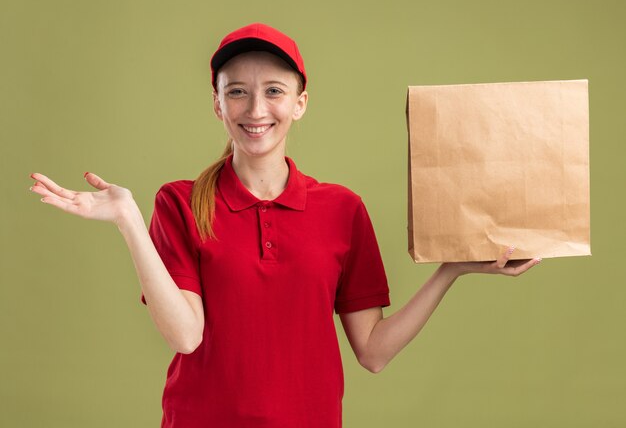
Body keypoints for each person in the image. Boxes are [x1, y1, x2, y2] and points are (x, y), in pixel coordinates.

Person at [29, 23, 540, 428]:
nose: (255, 110)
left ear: (300, 102)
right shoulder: (179, 203)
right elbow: (186, 337)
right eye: (237, 93)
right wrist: (128, 222)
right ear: (216, 103)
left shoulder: (343, 209)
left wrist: (451, 268)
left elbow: (374, 353)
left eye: (274, 90)